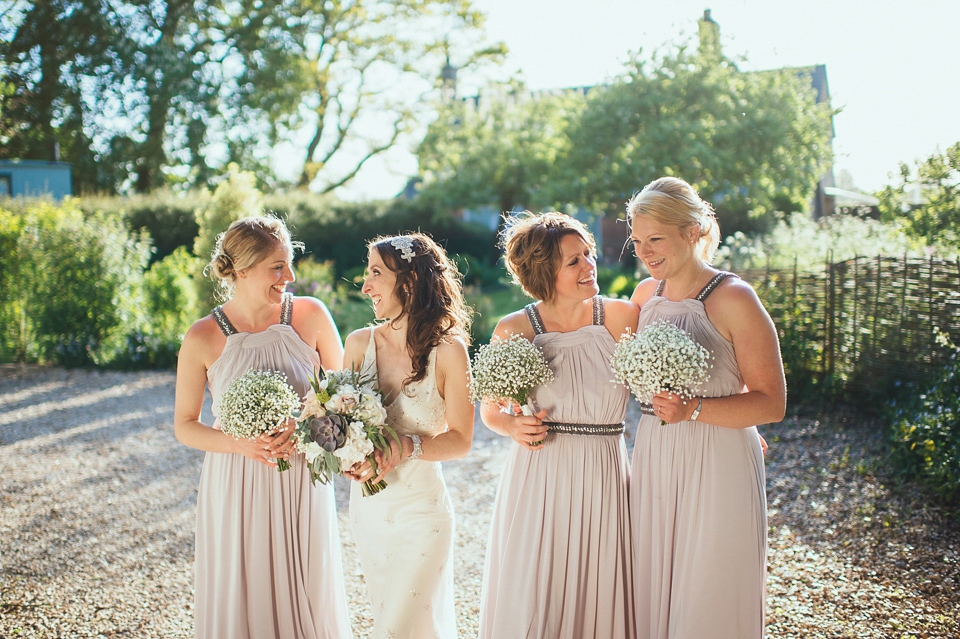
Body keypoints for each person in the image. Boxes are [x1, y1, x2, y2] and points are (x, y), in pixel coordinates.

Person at [173, 215, 352, 639]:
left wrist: (310, 426)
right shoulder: (202, 336)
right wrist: (239, 444)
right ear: (241, 269)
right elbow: (184, 426)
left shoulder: (311, 315)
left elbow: (348, 398)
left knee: (309, 584)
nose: (289, 276)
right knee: (245, 584)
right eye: (277, 266)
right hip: (237, 479)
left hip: (303, 478)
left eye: (288, 263)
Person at [626, 177, 785, 639]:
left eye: (656, 238)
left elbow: (771, 402)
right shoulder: (643, 297)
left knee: (709, 586)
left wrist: (694, 410)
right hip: (656, 454)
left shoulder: (734, 298)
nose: (646, 251)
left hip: (717, 460)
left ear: (693, 230)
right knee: (655, 580)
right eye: (638, 241)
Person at [477, 212, 639, 639]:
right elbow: (490, 410)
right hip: (540, 473)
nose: (590, 266)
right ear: (544, 272)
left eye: (589, 254)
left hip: (605, 470)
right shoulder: (515, 329)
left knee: (599, 583)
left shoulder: (623, 317)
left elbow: (665, 389)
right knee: (537, 586)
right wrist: (512, 427)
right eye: (574, 261)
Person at [343, 233, 474, 639]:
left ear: (410, 281)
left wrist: (407, 447)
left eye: (376, 273)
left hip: (423, 512)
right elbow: (340, 423)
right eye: (367, 274)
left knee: (401, 625)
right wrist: (348, 455)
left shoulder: (449, 351)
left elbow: (461, 439)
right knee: (391, 617)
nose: (365, 286)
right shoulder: (357, 344)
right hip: (370, 509)